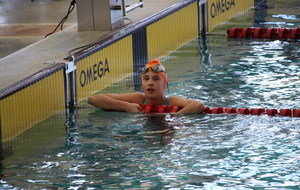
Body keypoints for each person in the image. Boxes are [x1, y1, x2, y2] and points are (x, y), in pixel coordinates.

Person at [87, 59, 205, 114]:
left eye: (156, 79)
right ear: (142, 84)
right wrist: (126, 106)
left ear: (165, 85)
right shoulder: (138, 99)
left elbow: (198, 105)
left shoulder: (170, 102)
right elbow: (93, 99)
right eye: (146, 79)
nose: (150, 83)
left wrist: (175, 115)